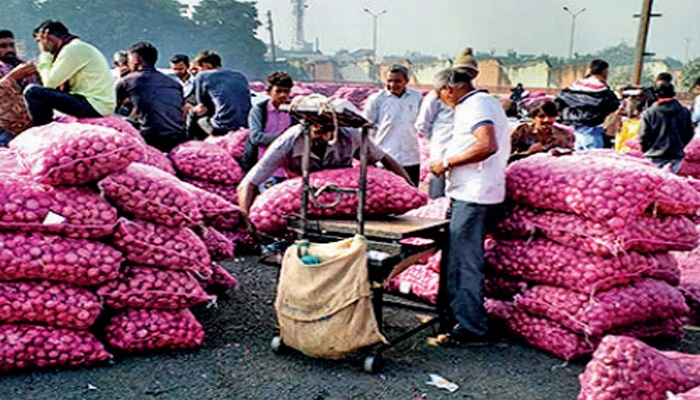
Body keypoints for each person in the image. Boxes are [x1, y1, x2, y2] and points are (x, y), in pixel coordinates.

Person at [430, 67, 510, 346]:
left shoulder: (474, 105)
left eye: (441, 95)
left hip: (474, 196)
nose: (443, 101)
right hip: (476, 193)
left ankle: (471, 328)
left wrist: (446, 162)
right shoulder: (483, 102)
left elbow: (487, 144)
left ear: (448, 89)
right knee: (457, 259)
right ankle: (455, 318)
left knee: (466, 262)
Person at [237, 122, 412, 232]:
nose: (326, 137)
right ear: (307, 126)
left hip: (343, 200)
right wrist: (246, 217)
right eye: (319, 131)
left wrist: (410, 188)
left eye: (330, 131)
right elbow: (249, 183)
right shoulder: (289, 141)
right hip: (304, 201)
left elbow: (385, 159)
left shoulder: (351, 136)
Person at [23, 20, 115, 126]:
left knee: (33, 92)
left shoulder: (73, 49)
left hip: (94, 105)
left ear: (47, 37)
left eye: (39, 41)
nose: (40, 46)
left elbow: (49, 83)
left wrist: (45, 54)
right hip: (93, 103)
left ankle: (45, 129)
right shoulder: (75, 47)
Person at [115, 42, 186, 152]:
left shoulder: (128, 81)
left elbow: (108, 107)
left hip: (151, 138)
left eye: (129, 58)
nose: (127, 62)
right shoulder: (174, 83)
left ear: (136, 59)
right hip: (179, 136)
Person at [364, 65, 422, 185]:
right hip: (386, 158)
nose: (393, 84)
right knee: (387, 197)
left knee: (411, 194)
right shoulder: (376, 99)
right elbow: (366, 127)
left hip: (410, 157)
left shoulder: (416, 97)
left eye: (397, 81)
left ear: (407, 81)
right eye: (389, 80)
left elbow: (422, 123)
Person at [241, 72, 296, 190]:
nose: (282, 95)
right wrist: (284, 138)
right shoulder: (259, 110)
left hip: (286, 168)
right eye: (278, 91)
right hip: (264, 168)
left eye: (286, 91)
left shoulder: (293, 112)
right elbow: (256, 137)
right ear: (268, 92)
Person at [554, 59, 620, 150]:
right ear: (605, 71)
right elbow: (614, 104)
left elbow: (559, 100)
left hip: (572, 129)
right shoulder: (602, 90)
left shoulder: (574, 86)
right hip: (591, 130)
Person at [188, 50, 251, 139]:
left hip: (221, 127)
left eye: (198, 69)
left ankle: (189, 144)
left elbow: (202, 105)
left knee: (195, 114)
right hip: (245, 124)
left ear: (206, 65)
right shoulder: (239, 75)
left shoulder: (203, 76)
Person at [639, 82, 694, 173]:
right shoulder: (684, 111)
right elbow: (689, 133)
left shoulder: (650, 113)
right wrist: (680, 146)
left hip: (654, 156)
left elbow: (644, 135)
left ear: (657, 95)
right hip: (676, 157)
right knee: (673, 184)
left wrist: (647, 149)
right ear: (673, 94)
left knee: (656, 184)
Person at [0, 29, 36, 144]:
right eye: (3, 46)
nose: (9, 50)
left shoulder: (22, 65)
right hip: (4, 127)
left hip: (31, 123)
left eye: (11, 45)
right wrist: (12, 77)